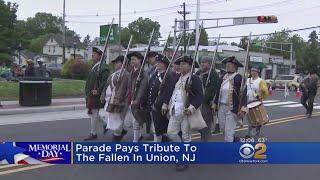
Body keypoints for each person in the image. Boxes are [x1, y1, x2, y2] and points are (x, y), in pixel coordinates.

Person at [162, 55, 204, 171]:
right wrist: (165, 104)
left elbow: (199, 96)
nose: (181, 66)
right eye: (180, 64)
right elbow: (171, 91)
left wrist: (191, 108)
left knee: (186, 136)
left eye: (184, 64)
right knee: (171, 133)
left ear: (190, 66)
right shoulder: (177, 78)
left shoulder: (194, 79)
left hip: (186, 112)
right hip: (175, 110)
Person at [212, 56, 248, 142]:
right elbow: (218, 92)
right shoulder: (223, 78)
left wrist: (243, 109)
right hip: (221, 107)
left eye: (230, 64)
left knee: (229, 132)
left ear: (235, 66)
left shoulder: (239, 78)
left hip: (232, 108)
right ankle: (233, 140)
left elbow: (244, 95)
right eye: (227, 64)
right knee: (223, 129)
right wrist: (215, 103)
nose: (227, 65)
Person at [141, 54, 174, 142]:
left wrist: (165, 103)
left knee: (158, 129)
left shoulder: (168, 76)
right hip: (152, 105)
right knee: (155, 127)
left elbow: (169, 91)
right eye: (157, 63)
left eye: (160, 63)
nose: (157, 64)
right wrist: (144, 102)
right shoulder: (155, 75)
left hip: (160, 106)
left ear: (165, 64)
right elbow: (149, 89)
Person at [100, 55, 130, 142]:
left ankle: (117, 136)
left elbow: (126, 89)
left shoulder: (126, 75)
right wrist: (102, 95)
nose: (115, 64)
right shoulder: (113, 74)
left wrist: (123, 101)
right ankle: (117, 130)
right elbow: (106, 86)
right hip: (108, 100)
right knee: (104, 115)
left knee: (117, 119)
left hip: (118, 101)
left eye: (117, 62)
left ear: (122, 63)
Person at [84, 47, 110, 141]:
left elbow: (104, 81)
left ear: (100, 56)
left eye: (94, 54)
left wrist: (98, 90)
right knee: (92, 113)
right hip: (91, 94)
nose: (92, 56)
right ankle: (105, 124)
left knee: (93, 113)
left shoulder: (104, 67)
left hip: (96, 95)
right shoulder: (95, 66)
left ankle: (93, 133)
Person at [195, 56, 220, 142]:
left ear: (209, 64)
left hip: (206, 104)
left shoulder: (214, 75)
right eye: (201, 62)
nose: (202, 64)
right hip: (197, 103)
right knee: (197, 125)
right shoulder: (198, 73)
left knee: (205, 126)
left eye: (204, 62)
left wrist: (203, 97)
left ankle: (205, 145)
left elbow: (213, 90)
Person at [127, 52, 149, 142]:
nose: (131, 61)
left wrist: (137, 100)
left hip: (138, 102)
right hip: (130, 99)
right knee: (131, 122)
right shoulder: (132, 72)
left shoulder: (143, 73)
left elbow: (143, 88)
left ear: (139, 60)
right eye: (131, 59)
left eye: (134, 59)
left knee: (136, 121)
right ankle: (138, 136)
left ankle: (135, 141)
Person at [246, 67, 268, 138]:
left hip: (257, 102)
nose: (252, 72)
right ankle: (249, 133)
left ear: (257, 72)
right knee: (249, 118)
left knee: (258, 118)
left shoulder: (261, 81)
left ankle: (257, 130)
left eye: (254, 71)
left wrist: (259, 94)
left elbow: (264, 90)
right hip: (248, 101)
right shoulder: (248, 80)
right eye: (251, 71)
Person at [143, 51, 158, 140]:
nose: (149, 60)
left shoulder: (157, 68)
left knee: (155, 117)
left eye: (150, 58)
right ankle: (150, 133)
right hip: (150, 95)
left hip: (156, 95)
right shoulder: (152, 69)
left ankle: (156, 134)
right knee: (149, 116)